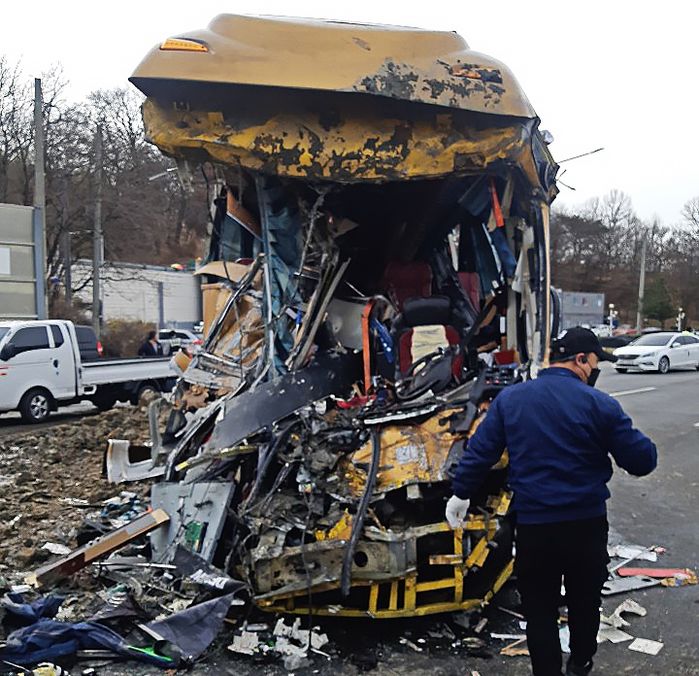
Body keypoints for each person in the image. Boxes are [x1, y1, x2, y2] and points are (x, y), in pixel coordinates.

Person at [445, 327, 657, 676]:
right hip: (585, 525)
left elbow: (480, 453)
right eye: (594, 362)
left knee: (539, 608)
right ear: (580, 359)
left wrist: (460, 494)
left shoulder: (511, 400)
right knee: (584, 601)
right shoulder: (599, 404)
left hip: (534, 527)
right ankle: (580, 663)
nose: (595, 369)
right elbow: (641, 461)